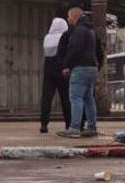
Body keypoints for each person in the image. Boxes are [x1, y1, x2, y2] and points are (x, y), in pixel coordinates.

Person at [57, 8, 99, 138]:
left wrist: (66, 65)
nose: (68, 20)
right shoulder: (90, 30)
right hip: (92, 67)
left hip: (80, 67)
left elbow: (75, 49)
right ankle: (91, 127)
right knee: (88, 98)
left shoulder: (78, 30)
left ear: (75, 17)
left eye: (69, 17)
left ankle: (74, 128)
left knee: (76, 97)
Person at [39, 17, 71, 133]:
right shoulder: (65, 37)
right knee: (65, 98)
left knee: (46, 98)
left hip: (48, 68)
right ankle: (68, 123)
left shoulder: (47, 38)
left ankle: (44, 124)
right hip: (61, 67)